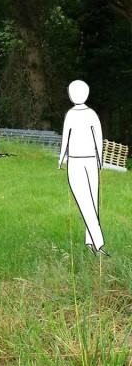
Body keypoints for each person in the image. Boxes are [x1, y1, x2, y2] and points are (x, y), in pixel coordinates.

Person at [58, 80, 108, 256]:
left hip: (77, 161)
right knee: (91, 200)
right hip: (90, 161)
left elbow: (66, 138)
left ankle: (98, 244)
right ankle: (91, 243)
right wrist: (100, 160)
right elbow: (98, 138)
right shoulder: (92, 114)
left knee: (87, 202)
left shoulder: (72, 114)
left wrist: (61, 158)